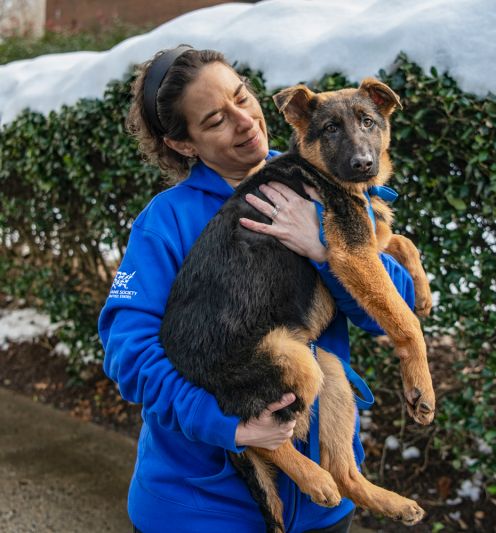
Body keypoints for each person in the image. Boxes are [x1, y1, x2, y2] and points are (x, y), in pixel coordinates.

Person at [98, 46, 416, 533]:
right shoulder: (166, 222)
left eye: (242, 97)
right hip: (200, 508)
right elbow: (130, 355)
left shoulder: (324, 182)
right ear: (185, 145)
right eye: (215, 120)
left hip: (323, 507)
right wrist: (230, 426)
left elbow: (387, 312)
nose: (244, 121)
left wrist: (321, 246)